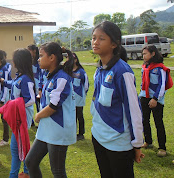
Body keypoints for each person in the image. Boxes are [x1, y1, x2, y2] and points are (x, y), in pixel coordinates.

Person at [91, 21, 144, 178]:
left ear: (114, 44)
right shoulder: (99, 69)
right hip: (98, 137)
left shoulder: (122, 71)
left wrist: (137, 143)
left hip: (118, 142)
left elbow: (134, 109)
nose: (95, 42)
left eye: (101, 38)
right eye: (94, 38)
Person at [25, 42, 76, 177]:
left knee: (57, 171)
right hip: (48, 128)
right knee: (30, 162)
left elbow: (53, 106)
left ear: (52, 57)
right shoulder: (51, 76)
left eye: (41, 56)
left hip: (58, 130)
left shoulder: (61, 78)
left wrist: (38, 116)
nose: (38, 59)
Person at [1, 48, 35, 178]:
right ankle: (22, 173)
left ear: (18, 61)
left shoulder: (26, 79)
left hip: (22, 118)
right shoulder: (20, 77)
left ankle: (18, 174)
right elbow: (14, 86)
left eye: (14, 59)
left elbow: (31, 99)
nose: (12, 61)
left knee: (17, 149)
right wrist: (4, 82)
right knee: (19, 148)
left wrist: (14, 105)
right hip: (17, 118)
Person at [139, 44, 172, 157]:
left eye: (145, 54)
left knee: (158, 122)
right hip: (144, 97)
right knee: (144, 120)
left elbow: (162, 85)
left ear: (153, 54)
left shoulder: (160, 68)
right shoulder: (145, 66)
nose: (143, 56)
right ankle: (148, 141)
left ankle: (162, 148)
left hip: (156, 99)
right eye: (143, 54)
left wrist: (155, 99)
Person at [0, 49, 12, 147]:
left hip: (3, 96)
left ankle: (5, 139)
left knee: (4, 118)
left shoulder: (4, 69)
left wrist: (2, 100)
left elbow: (5, 86)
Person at [72, 52, 89, 141]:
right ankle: (73, 132)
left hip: (79, 97)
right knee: (72, 115)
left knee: (79, 115)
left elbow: (86, 85)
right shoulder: (69, 70)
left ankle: (81, 133)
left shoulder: (81, 72)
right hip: (71, 97)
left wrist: (83, 94)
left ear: (76, 60)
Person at [27, 44, 42, 115]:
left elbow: (40, 74)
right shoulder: (31, 61)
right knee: (35, 101)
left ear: (34, 51)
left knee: (39, 102)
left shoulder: (39, 61)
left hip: (38, 85)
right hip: (33, 83)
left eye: (29, 50)